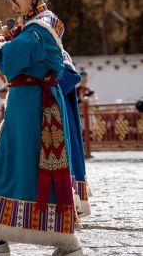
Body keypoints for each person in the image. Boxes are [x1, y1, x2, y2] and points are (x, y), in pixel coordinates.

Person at [0, 0, 83, 256]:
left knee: (34, 165)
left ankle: (66, 242)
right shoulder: (33, 26)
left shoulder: (40, 27)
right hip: (25, 104)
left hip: (37, 108)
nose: (12, 5)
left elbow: (9, 60)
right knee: (9, 163)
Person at [60, 53, 92, 218]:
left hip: (60, 109)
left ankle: (72, 201)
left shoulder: (60, 53)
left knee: (66, 152)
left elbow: (70, 77)